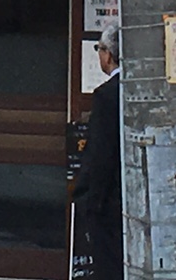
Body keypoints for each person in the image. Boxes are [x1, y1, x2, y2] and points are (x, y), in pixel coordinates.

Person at [74, 24, 122, 276]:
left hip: (110, 198)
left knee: (109, 263)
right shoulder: (142, 89)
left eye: (100, 49)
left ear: (108, 54)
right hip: (133, 193)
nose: (99, 54)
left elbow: (101, 152)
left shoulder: (107, 95)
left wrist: (91, 199)